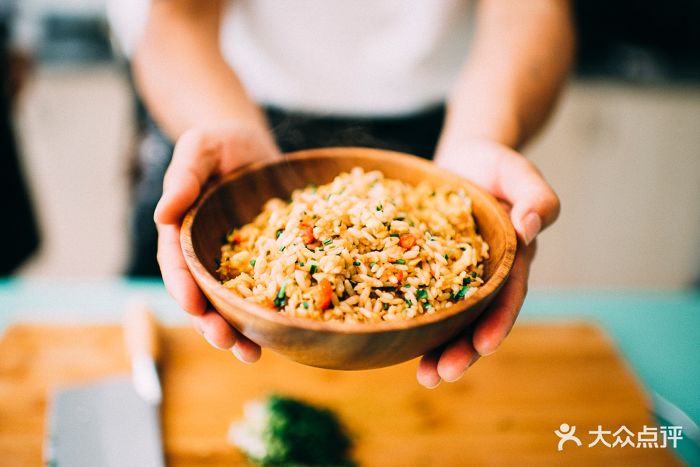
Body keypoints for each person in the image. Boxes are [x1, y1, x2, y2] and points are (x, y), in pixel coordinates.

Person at [112, 0, 572, 388]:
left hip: (455, 114)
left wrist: (482, 138)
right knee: (181, 354)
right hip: (216, 106)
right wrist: (214, 123)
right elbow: (178, 19)